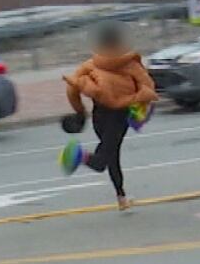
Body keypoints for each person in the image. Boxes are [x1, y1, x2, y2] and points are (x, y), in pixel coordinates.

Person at [60, 22, 158, 211]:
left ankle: (121, 197)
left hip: (99, 115)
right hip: (118, 116)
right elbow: (148, 88)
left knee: (112, 154)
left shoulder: (90, 64)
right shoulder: (131, 65)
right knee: (103, 160)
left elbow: (72, 88)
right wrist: (135, 102)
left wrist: (80, 111)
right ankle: (79, 155)